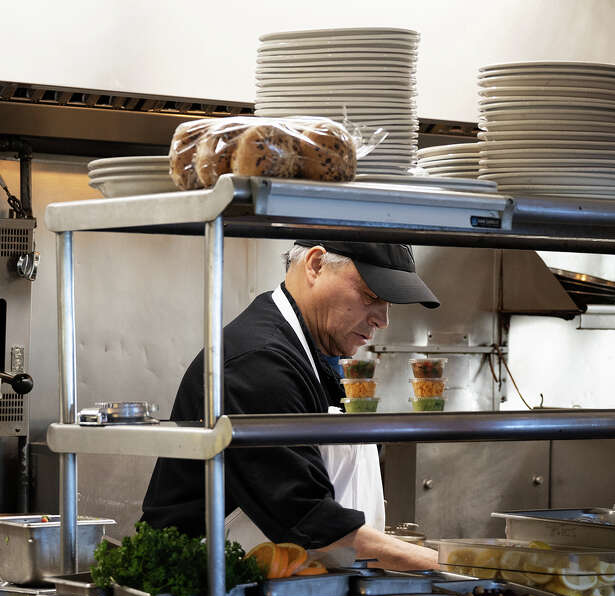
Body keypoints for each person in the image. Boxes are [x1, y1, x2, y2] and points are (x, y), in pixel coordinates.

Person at [141, 240, 440, 571]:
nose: (382, 319)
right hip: (220, 593)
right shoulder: (259, 363)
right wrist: (447, 565)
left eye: (389, 304)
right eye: (371, 296)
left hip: (296, 585)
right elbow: (308, 520)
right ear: (315, 265)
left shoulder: (312, 352)